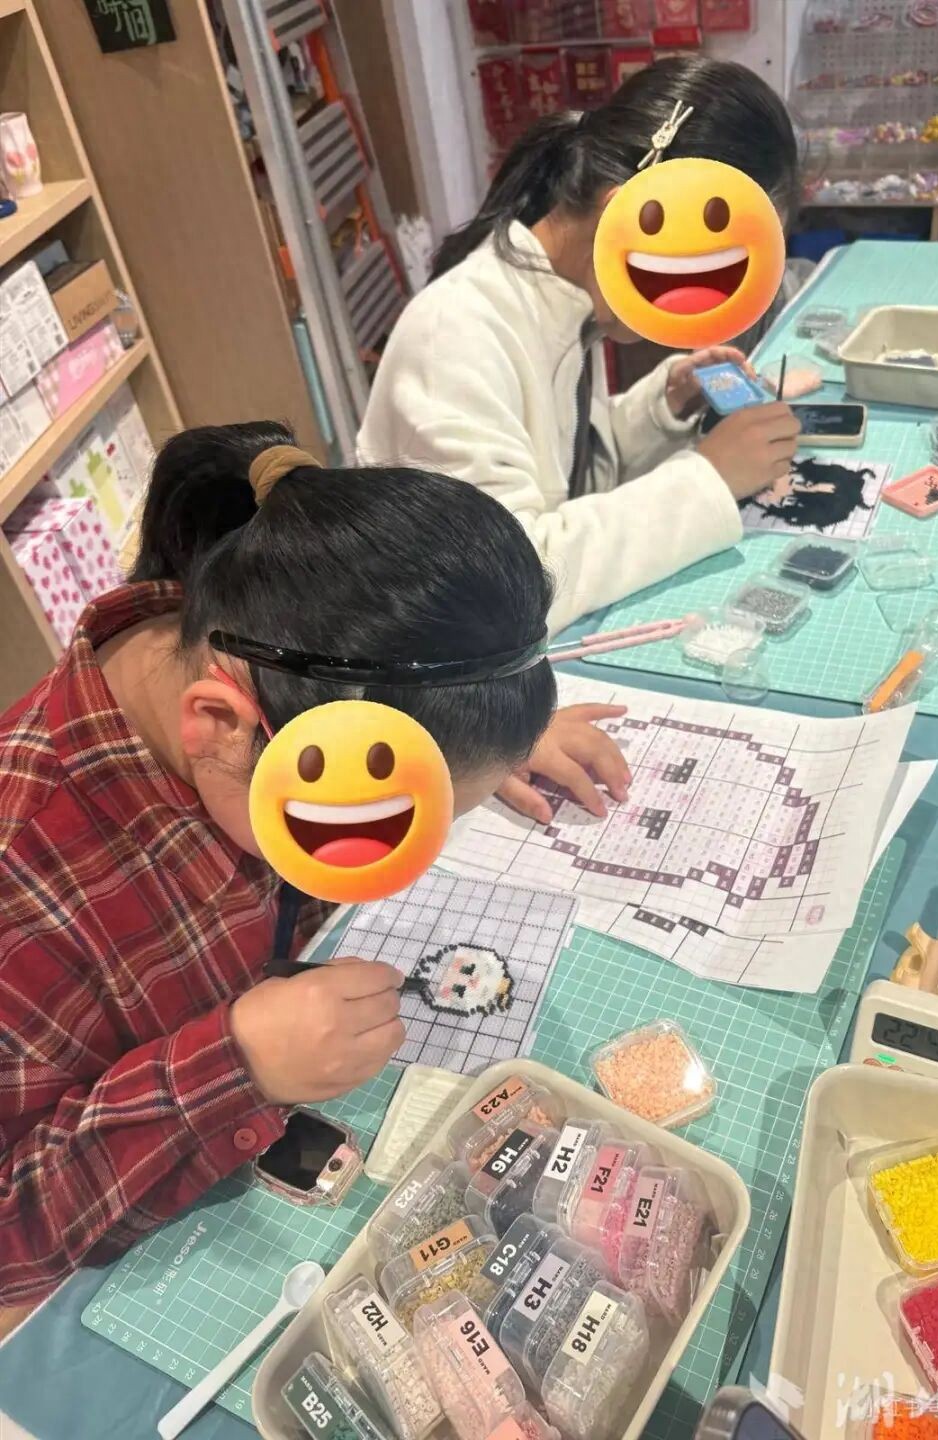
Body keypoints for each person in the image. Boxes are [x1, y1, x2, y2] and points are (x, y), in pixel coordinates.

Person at [0, 422, 629, 1307]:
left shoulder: (254, 637)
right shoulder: (25, 876)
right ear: (220, 727)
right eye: (377, 828)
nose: (410, 868)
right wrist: (234, 1065)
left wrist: (487, 736)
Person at [358, 55, 802, 634]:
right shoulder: (456, 336)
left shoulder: (567, 299)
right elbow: (508, 583)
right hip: (444, 652)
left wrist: (663, 406)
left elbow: (563, 471)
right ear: (624, 213)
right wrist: (709, 480)